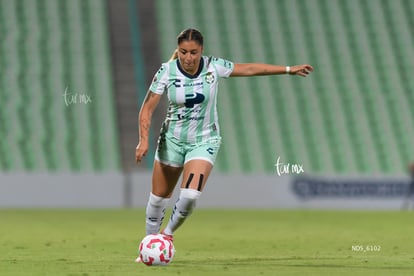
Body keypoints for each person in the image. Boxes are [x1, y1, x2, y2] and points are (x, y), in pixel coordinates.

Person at [135, 28, 313, 260]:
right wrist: (143, 140)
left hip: (204, 140)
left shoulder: (213, 66)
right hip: (172, 141)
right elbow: (147, 109)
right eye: (183, 52)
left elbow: (248, 69)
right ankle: (149, 245)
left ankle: (166, 237)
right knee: (158, 199)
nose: (188, 58)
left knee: (190, 196)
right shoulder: (166, 71)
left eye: (193, 52)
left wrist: (288, 69)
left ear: (202, 51)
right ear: (177, 50)